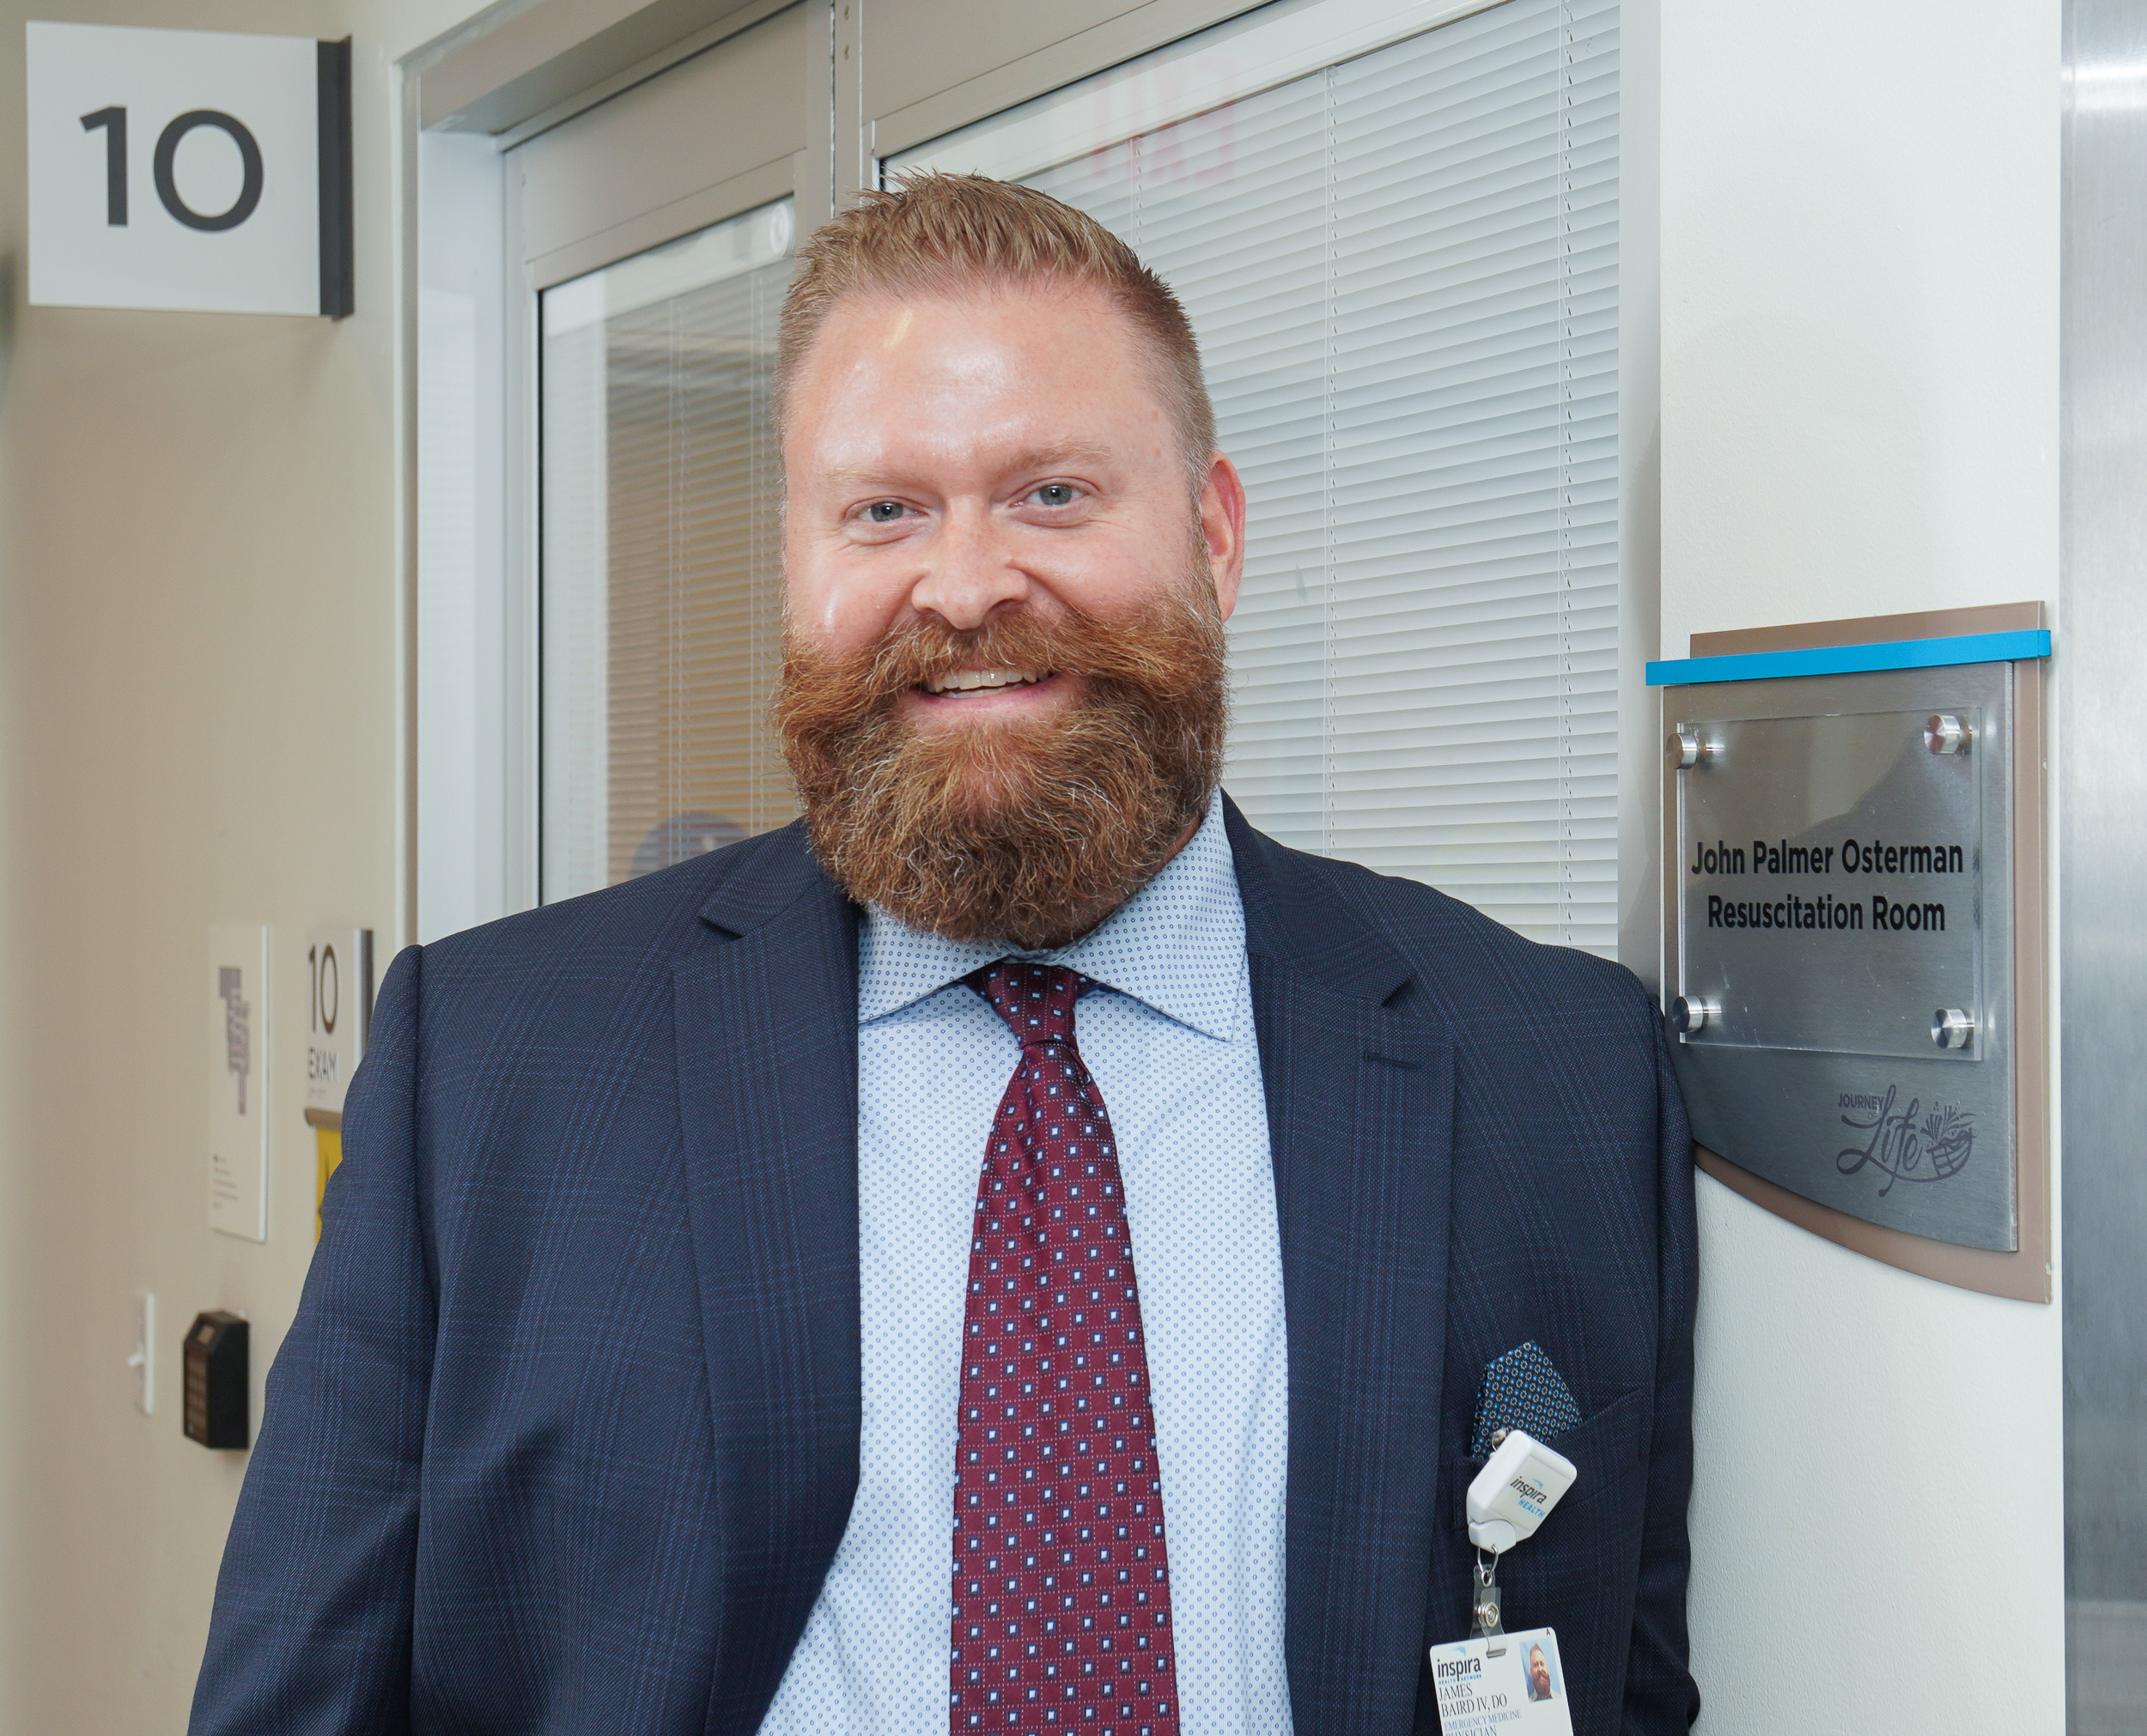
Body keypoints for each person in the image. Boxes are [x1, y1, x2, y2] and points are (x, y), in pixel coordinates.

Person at [190, 174, 1698, 1736]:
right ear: (796, 564)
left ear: (1216, 536)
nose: (967, 586)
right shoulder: (491, 1069)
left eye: (1053, 493)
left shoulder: (1557, 1073)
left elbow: (1619, 1687)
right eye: (884, 511)